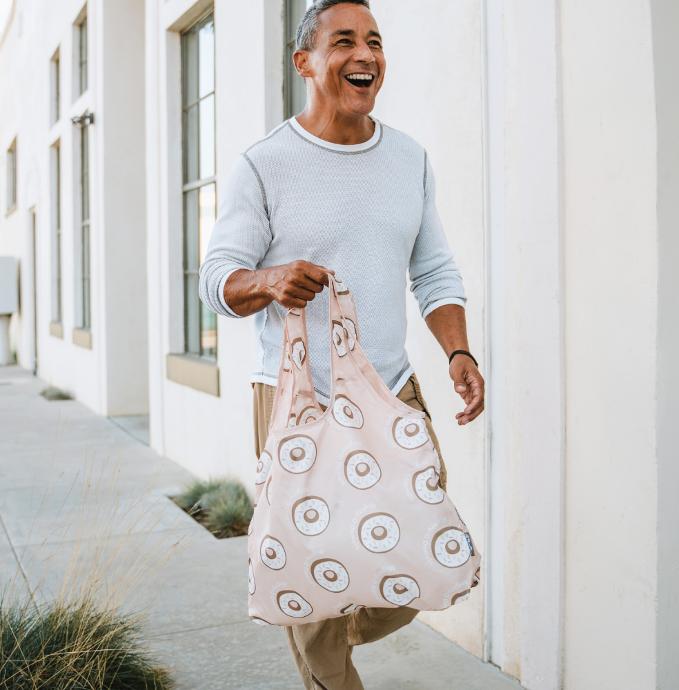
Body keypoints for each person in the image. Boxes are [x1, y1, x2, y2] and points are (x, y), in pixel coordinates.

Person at [198, 1, 485, 687]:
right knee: (312, 588)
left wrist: (459, 353)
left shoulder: (408, 159)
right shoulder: (264, 165)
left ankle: (331, 620)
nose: (366, 55)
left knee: (419, 561)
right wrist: (268, 280)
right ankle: (322, 638)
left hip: (391, 392)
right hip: (298, 401)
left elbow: (435, 271)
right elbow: (216, 281)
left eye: (376, 42)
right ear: (306, 62)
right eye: (345, 41)